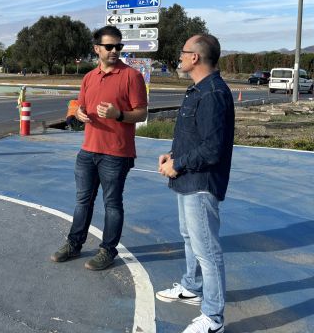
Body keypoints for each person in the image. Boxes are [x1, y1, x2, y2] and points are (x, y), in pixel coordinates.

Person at [51, 25, 148, 270]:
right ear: (97, 49)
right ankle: (74, 245)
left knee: (112, 204)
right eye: (109, 46)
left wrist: (118, 115)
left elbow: (141, 113)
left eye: (119, 46)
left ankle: (108, 251)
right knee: (82, 201)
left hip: (116, 153)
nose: (115, 51)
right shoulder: (89, 77)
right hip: (88, 151)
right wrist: (79, 114)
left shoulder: (131, 76)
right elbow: (80, 105)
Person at [156, 34, 234, 333]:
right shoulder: (199, 90)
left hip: (200, 182)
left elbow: (212, 148)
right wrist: (174, 155)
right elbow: (197, 137)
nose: (179, 57)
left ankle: (213, 318)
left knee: (208, 251)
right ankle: (192, 286)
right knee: (190, 237)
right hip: (188, 178)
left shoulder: (212, 93)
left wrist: (179, 164)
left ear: (195, 58)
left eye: (183, 52)